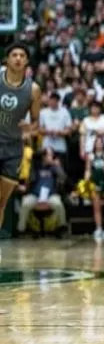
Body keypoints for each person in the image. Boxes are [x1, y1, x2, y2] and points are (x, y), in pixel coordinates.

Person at [0, 44, 41, 230]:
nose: (18, 58)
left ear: (26, 61)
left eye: (22, 55)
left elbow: (36, 125)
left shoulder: (33, 90)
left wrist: (29, 129)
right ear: (7, 59)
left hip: (13, 149)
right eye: (14, 55)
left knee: (1, 202)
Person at [86, 136, 104, 239]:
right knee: (96, 207)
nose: (99, 144)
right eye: (97, 142)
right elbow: (88, 169)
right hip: (95, 182)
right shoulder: (91, 156)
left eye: (101, 142)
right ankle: (99, 228)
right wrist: (86, 178)